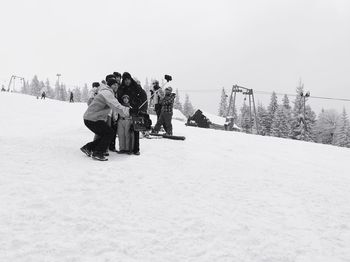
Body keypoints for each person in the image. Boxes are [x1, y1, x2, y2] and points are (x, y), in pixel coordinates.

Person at [80, 78, 130, 161]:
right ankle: (97, 153)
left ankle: (88, 147)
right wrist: (129, 111)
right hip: (92, 119)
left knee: (106, 134)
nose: (116, 86)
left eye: (117, 85)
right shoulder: (107, 93)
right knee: (109, 133)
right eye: (114, 84)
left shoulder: (106, 92)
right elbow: (116, 106)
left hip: (92, 118)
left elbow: (114, 107)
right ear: (109, 85)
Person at [117, 72, 148, 155]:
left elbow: (144, 99)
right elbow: (119, 100)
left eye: (128, 79)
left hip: (136, 112)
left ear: (131, 79)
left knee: (135, 130)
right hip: (125, 112)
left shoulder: (137, 87)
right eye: (125, 80)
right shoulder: (122, 88)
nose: (127, 81)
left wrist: (142, 110)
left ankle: (136, 149)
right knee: (125, 132)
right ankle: (125, 148)